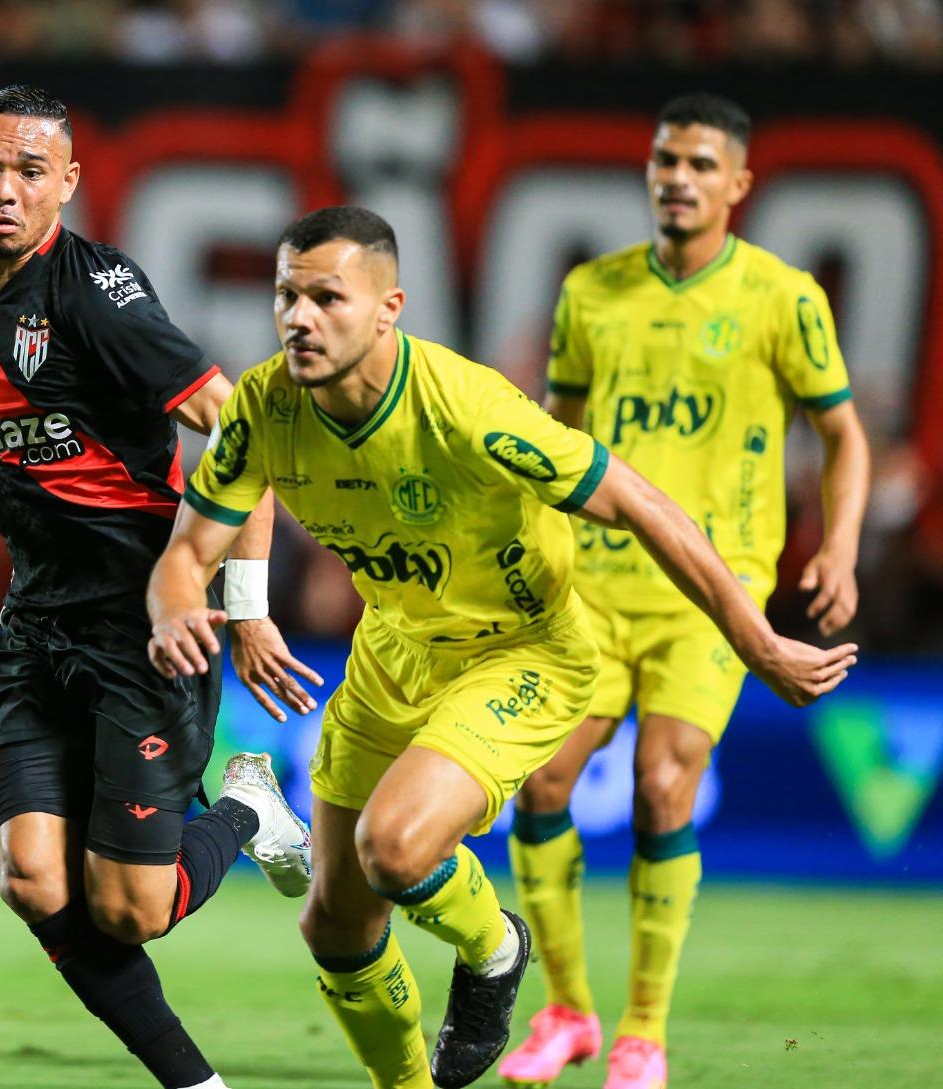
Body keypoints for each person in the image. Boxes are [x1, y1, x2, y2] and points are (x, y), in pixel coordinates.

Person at [145, 205, 857, 1089]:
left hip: (521, 651)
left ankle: (495, 945)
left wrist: (758, 642)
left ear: (388, 307)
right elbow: (186, 553)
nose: (298, 316)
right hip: (392, 650)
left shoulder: (467, 408)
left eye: (327, 297)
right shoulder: (262, 406)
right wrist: (194, 611)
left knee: (395, 847)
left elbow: (638, 502)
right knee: (333, 923)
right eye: (286, 294)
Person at [0, 85, 317, 1089]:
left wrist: (243, 606)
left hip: (145, 628)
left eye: (26, 171)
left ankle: (245, 807)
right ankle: (195, 1082)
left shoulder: (99, 296)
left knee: (129, 909)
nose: (2, 189)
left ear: (66, 183)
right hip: (33, 629)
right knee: (31, 881)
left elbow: (241, 436)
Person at [498, 93, 870, 1089]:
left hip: (714, 591)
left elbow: (841, 433)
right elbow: (557, 439)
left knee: (667, 781)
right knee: (537, 783)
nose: (678, 177)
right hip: (597, 586)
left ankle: (644, 1033)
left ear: (738, 185)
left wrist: (836, 547)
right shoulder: (591, 291)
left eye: (702, 164)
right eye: (666, 159)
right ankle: (569, 1012)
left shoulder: (782, 298)